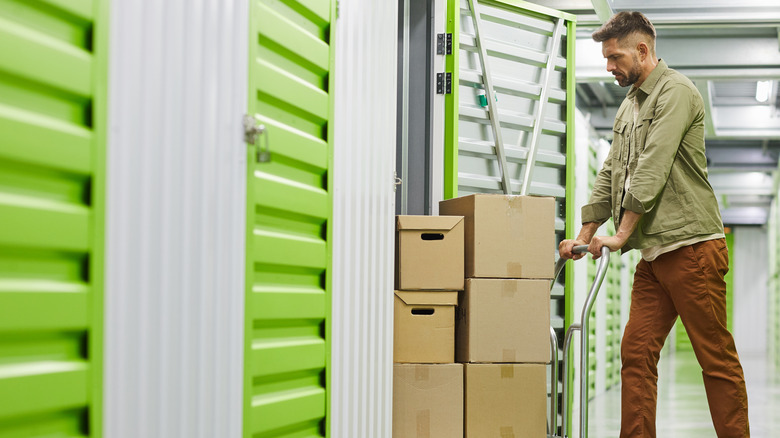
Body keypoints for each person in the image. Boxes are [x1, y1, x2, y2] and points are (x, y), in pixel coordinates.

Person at [559, 11, 750, 438]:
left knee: (714, 358)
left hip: (692, 248)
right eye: (606, 59)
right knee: (637, 353)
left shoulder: (676, 91)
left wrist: (622, 234)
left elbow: (652, 168)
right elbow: (611, 171)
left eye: (615, 57)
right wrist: (585, 235)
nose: (609, 66)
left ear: (642, 51)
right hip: (654, 255)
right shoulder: (629, 105)